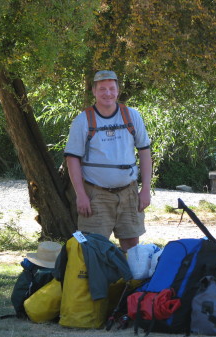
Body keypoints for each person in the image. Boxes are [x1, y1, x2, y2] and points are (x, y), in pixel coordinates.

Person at [64, 70, 152, 252]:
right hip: (95, 194)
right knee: (91, 248)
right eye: (102, 89)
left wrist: (145, 190)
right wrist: (81, 195)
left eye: (112, 88)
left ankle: (129, 280)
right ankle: (95, 281)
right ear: (94, 91)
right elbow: (72, 159)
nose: (108, 93)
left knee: (131, 247)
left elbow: (144, 151)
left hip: (129, 193)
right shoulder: (82, 121)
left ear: (118, 91)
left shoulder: (132, 116)